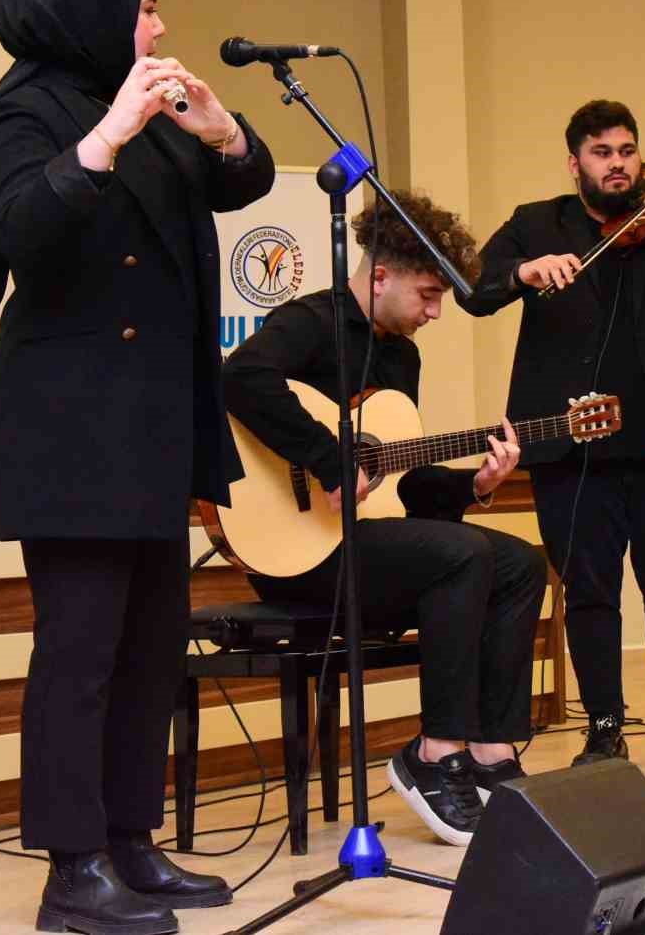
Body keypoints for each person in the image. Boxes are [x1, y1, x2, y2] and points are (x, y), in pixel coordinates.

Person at [0, 0, 275, 935]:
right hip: (71, 428)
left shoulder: (151, 105)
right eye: (147, 9)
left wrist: (221, 132)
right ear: (82, 14)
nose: (161, 28)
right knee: (79, 654)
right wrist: (108, 136)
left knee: (148, 650)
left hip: (152, 423)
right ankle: (71, 869)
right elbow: (31, 233)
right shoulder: (26, 114)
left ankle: (131, 841)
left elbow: (238, 188)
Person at [222, 191, 547, 847]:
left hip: (366, 545)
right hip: (296, 554)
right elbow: (241, 377)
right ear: (380, 276)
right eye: (428, 295)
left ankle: (489, 751)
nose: (434, 312)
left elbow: (410, 493)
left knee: (521, 562)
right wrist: (328, 457)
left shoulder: (402, 356)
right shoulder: (312, 322)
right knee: (464, 556)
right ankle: (432, 755)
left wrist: (475, 486)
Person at [460, 99, 645, 767]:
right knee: (590, 592)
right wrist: (523, 272)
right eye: (601, 153)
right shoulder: (537, 224)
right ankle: (603, 729)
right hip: (569, 445)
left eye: (626, 151)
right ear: (575, 163)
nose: (617, 164)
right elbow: (475, 290)